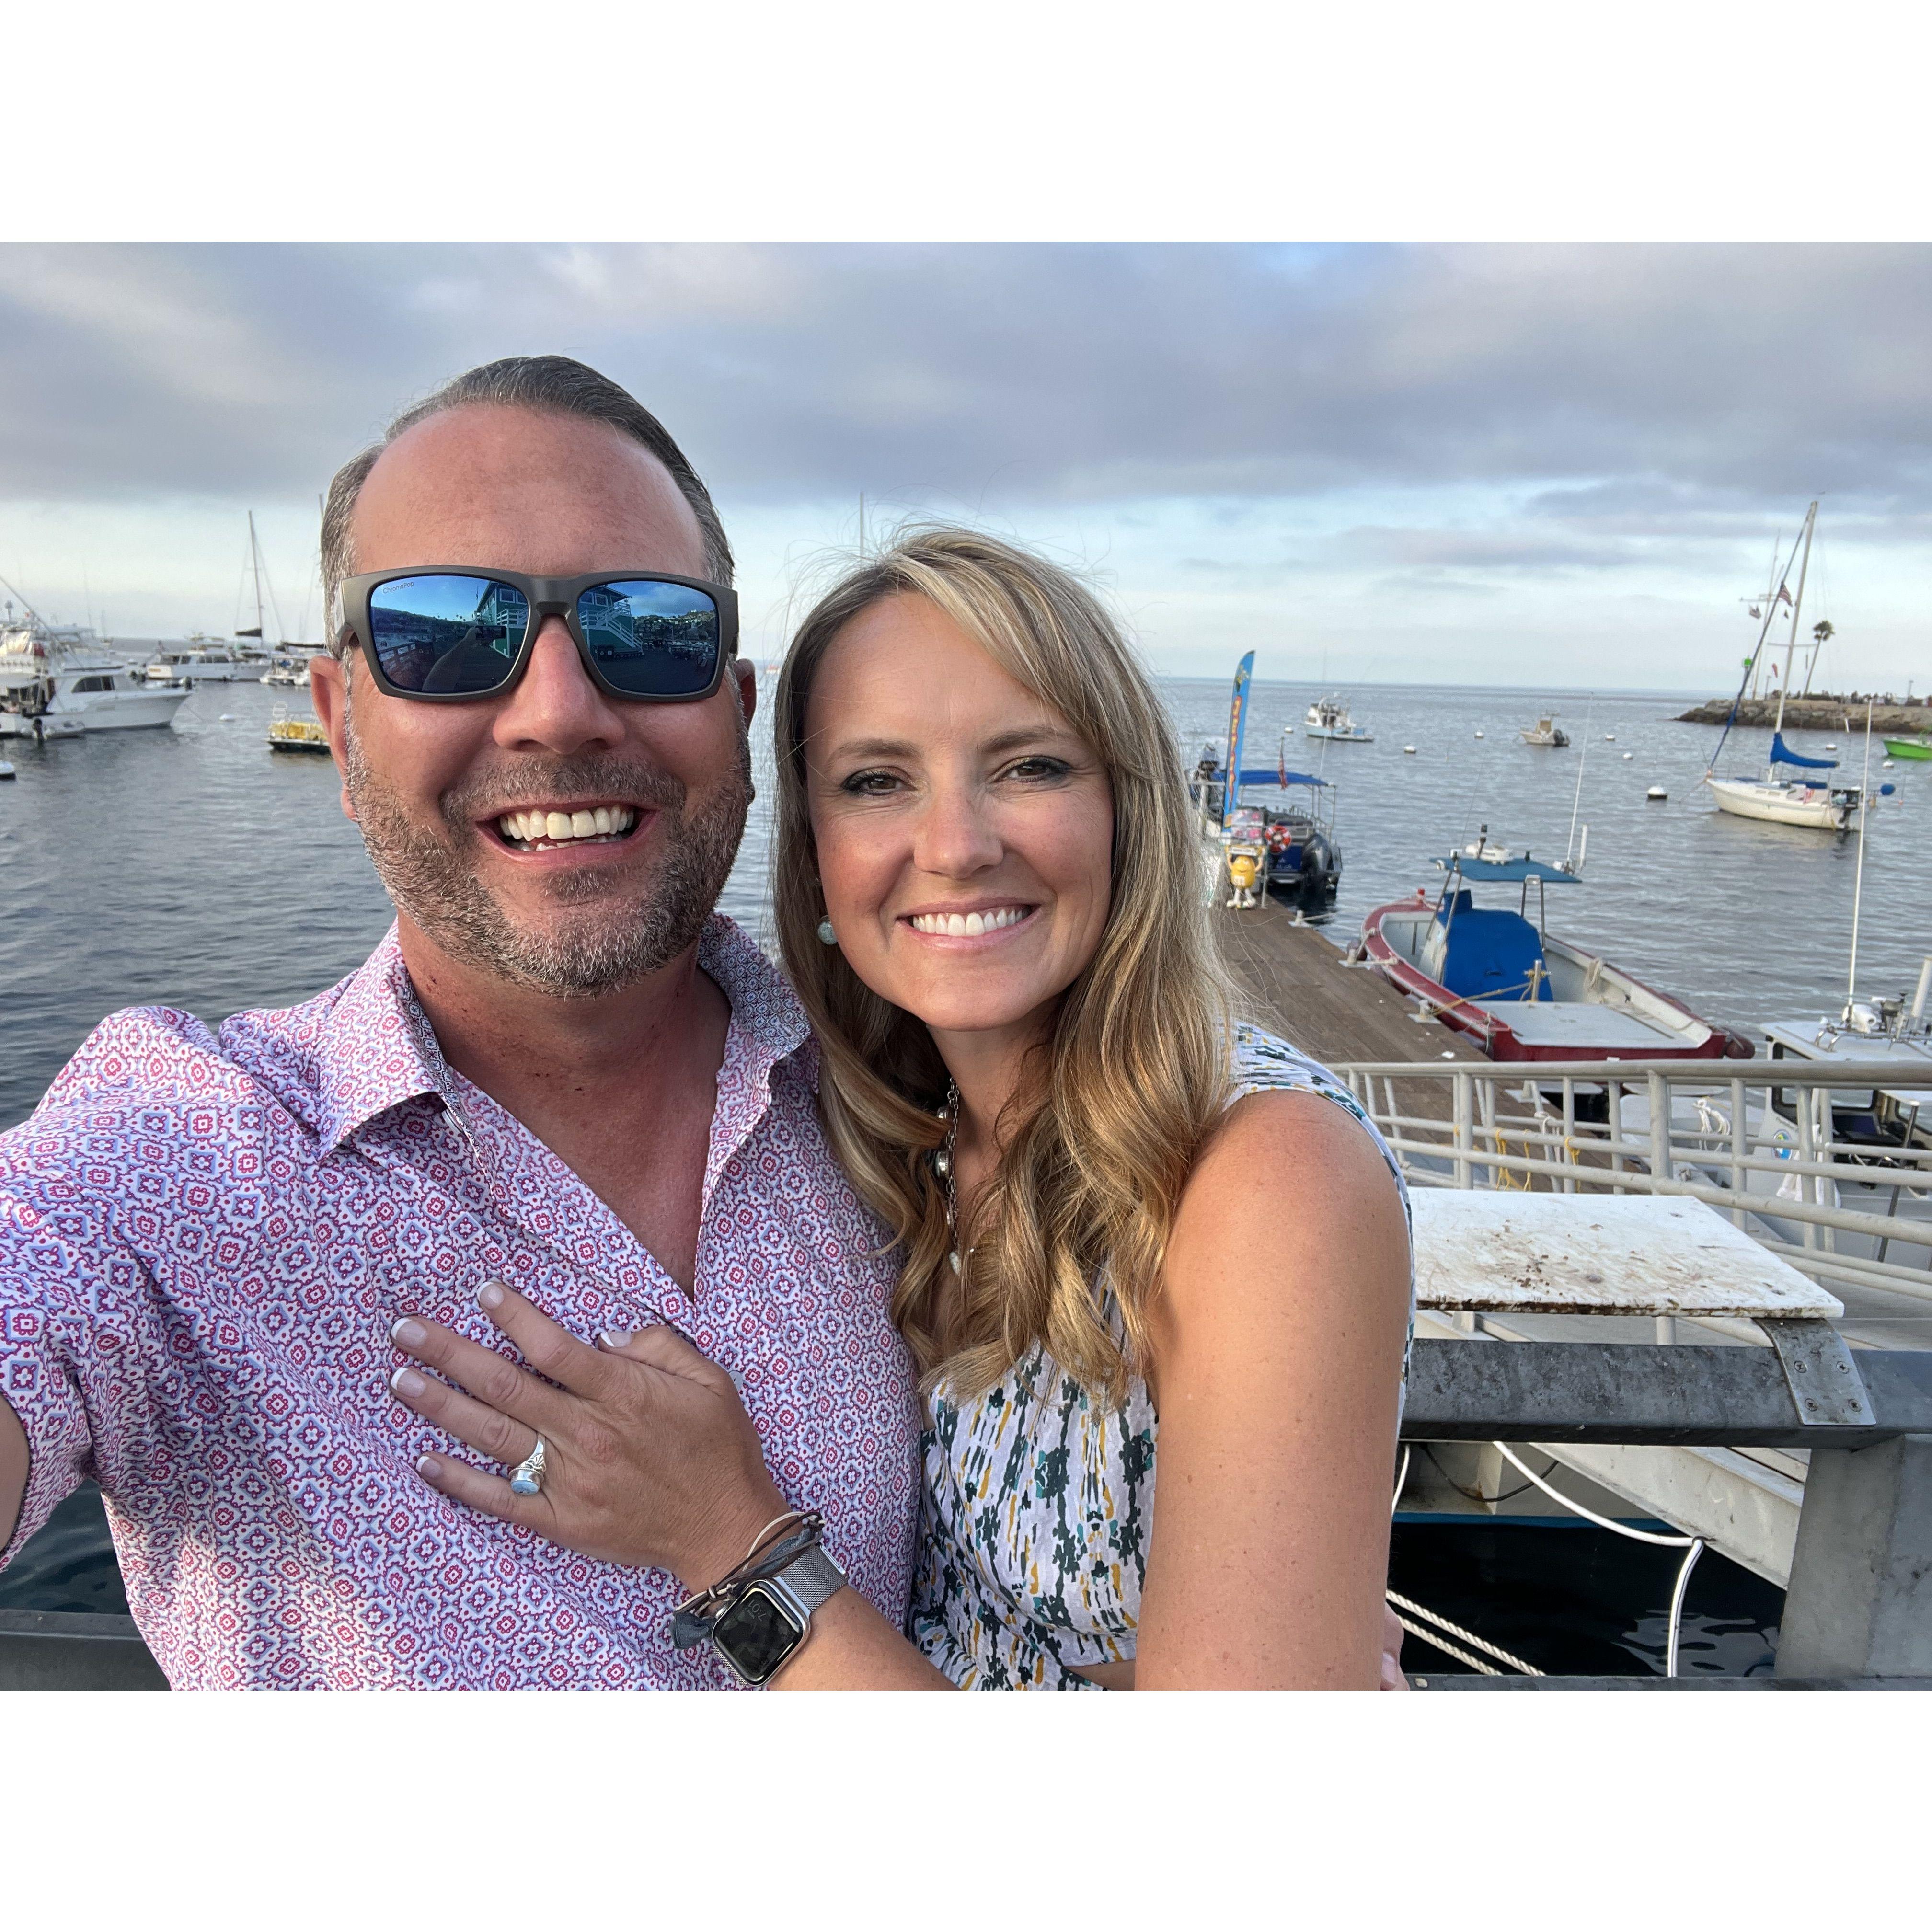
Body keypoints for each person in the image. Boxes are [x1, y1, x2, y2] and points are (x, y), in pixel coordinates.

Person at [0, 356, 921, 1688]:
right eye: (445, 634)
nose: (558, 707)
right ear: (341, 722)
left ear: (733, 705)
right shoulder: (182, 1162)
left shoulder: (904, 1094)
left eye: (649, 630)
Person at [387, 528, 1415, 1688]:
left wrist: (728, 1542)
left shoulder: (1263, 1177)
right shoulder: (888, 1132)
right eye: (877, 782)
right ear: (816, 854)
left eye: (1030, 766)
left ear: (1130, 812)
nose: (957, 847)